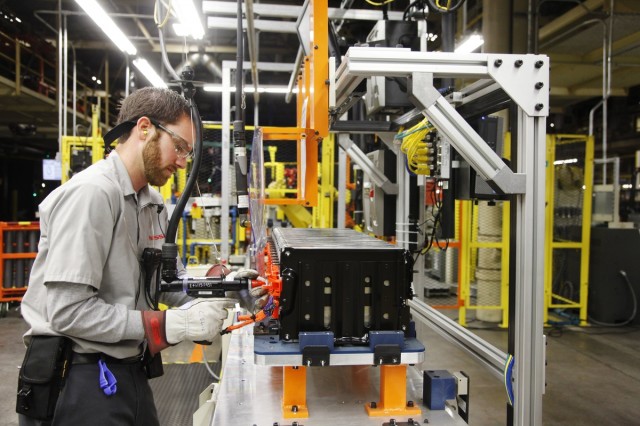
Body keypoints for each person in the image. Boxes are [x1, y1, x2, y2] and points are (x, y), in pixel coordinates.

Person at [18, 87, 235, 426]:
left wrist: (222, 288)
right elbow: (68, 312)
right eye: (179, 146)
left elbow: (165, 282)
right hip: (78, 377)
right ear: (144, 128)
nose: (182, 162)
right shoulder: (92, 195)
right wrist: (166, 324)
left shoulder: (152, 203)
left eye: (188, 153)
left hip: (128, 370)